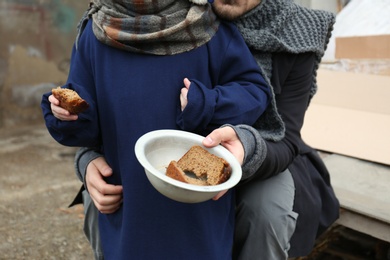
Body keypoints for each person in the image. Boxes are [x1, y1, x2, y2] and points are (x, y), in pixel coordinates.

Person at [74, 0, 341, 259]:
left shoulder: (299, 31)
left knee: (267, 211)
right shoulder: (160, 17)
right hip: (177, 144)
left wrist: (246, 149)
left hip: (263, 153)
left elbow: (287, 138)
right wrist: (86, 158)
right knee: (100, 195)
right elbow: (121, 103)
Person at [41, 0, 272, 259]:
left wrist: (207, 103)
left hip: (197, 209)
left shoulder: (208, 25)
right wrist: (66, 115)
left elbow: (254, 92)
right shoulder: (96, 32)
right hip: (129, 204)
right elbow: (87, 129)